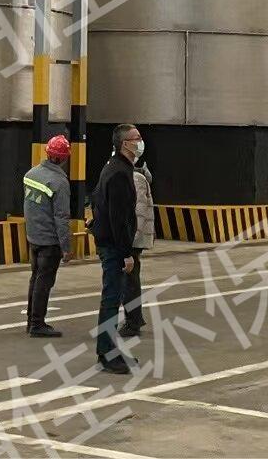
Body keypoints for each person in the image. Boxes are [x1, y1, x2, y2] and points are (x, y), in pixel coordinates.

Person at [89, 123, 142, 373]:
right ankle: (107, 354)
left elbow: (97, 199)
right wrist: (126, 254)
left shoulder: (114, 167)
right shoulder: (119, 172)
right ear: (125, 144)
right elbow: (119, 218)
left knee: (113, 298)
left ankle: (109, 350)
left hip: (109, 242)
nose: (140, 141)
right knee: (111, 300)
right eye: (136, 138)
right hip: (113, 246)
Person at [22, 134, 72, 338]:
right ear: (64, 158)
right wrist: (66, 247)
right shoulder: (59, 182)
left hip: (33, 237)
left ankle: (31, 321)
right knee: (44, 282)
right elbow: (61, 217)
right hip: (50, 241)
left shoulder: (31, 174)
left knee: (35, 279)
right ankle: (37, 324)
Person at [121, 149, 155, 339]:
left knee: (130, 282)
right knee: (129, 280)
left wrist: (129, 241)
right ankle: (133, 319)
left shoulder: (136, 179)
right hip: (129, 238)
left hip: (131, 240)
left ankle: (133, 322)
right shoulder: (134, 177)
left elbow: (138, 213)